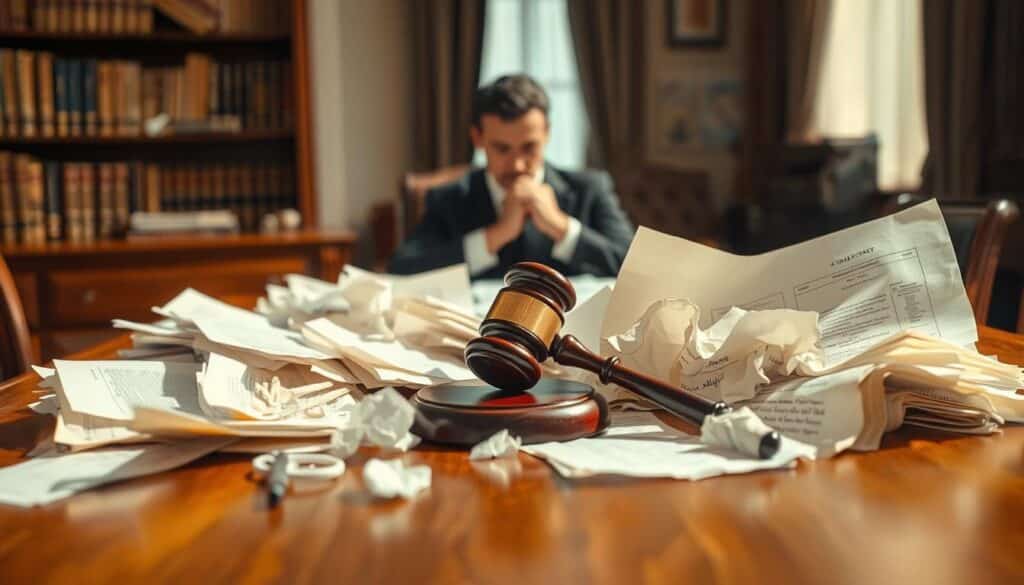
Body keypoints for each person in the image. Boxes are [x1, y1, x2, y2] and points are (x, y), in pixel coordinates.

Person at [389, 74, 635, 279]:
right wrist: (496, 235)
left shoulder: (589, 189)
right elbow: (402, 269)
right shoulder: (449, 198)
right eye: (502, 149)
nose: (517, 165)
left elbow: (634, 268)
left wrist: (561, 226)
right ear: (478, 139)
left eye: (529, 148)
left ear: (547, 133)